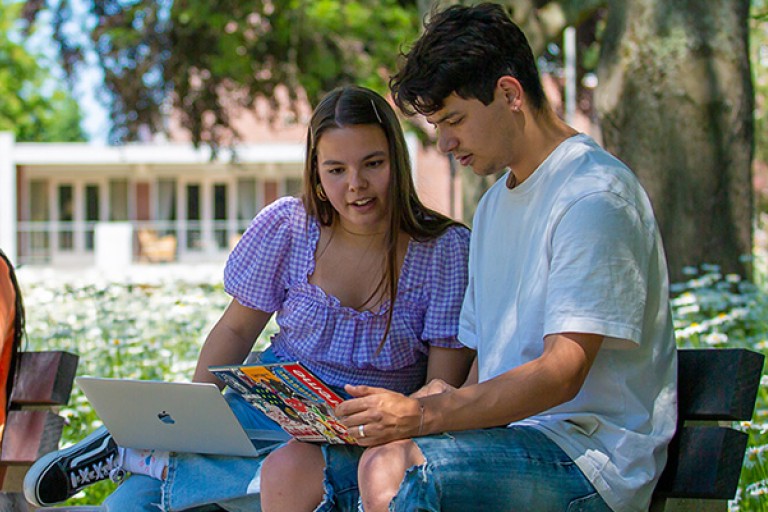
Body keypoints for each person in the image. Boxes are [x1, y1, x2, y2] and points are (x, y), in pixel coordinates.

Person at [23, 85, 474, 512]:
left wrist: (396, 423)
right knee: (129, 503)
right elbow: (237, 328)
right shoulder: (289, 226)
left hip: (366, 425)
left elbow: (439, 391)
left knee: (289, 473)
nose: (354, 183)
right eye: (336, 169)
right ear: (316, 173)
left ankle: (146, 455)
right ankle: (157, 452)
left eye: (372, 164)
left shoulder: (445, 250)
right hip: (275, 401)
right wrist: (187, 422)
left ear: (397, 160)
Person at [333, 4, 678, 512]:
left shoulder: (593, 196)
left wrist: (425, 418)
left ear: (509, 94)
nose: (445, 142)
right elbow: (485, 371)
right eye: (436, 125)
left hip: (590, 462)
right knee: (331, 470)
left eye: (454, 120)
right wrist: (423, 404)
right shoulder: (495, 205)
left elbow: (562, 372)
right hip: (509, 443)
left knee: (396, 469)